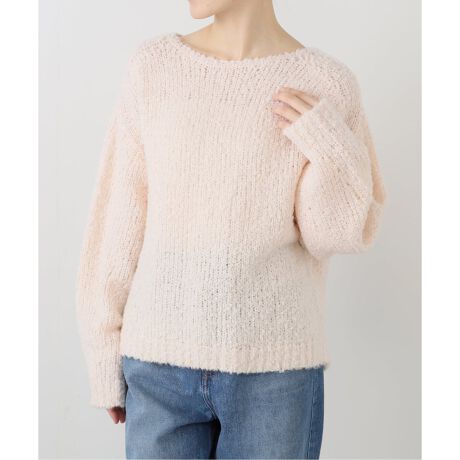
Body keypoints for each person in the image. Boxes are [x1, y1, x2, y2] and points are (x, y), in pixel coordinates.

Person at [75, 0, 386, 458]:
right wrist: (103, 350)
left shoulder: (326, 83)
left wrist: (330, 146)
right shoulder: (153, 67)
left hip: (275, 373)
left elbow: (331, 234)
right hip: (158, 366)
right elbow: (117, 218)